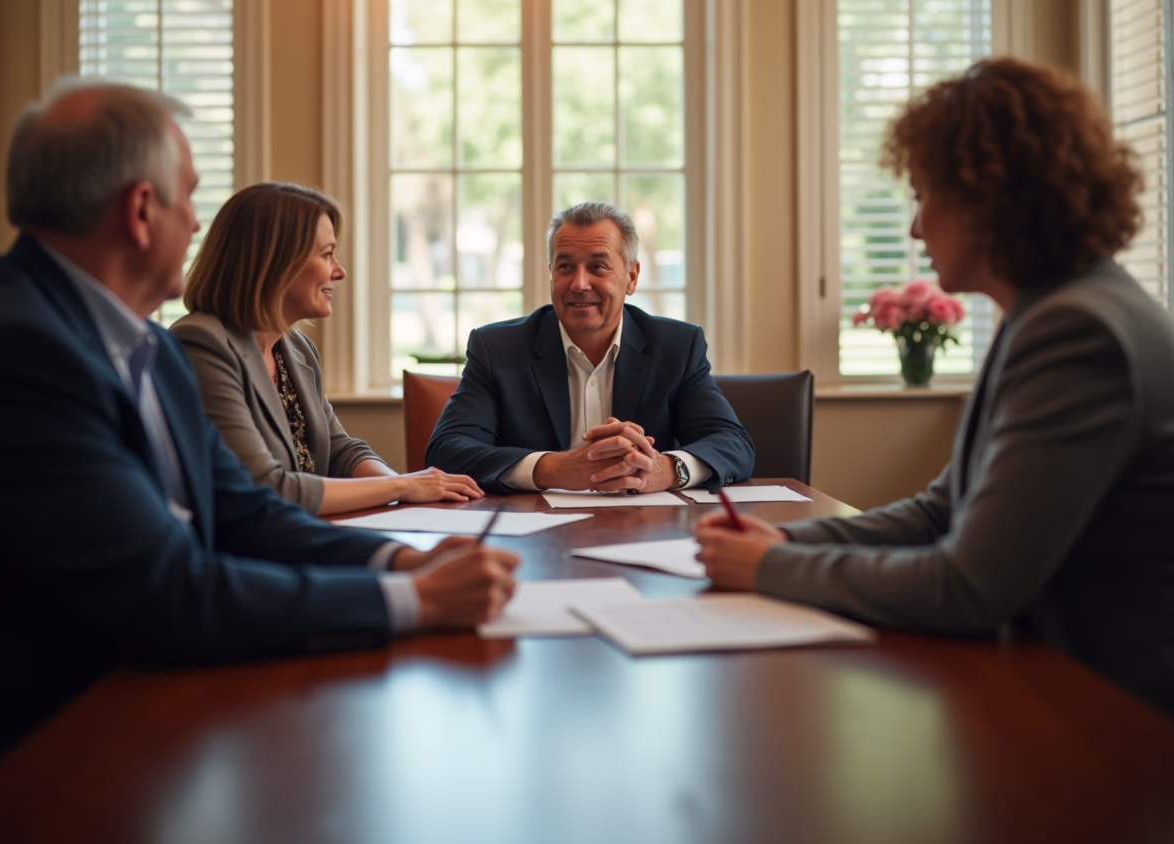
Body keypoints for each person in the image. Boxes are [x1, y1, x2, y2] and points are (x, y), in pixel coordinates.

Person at [0, 80, 518, 776]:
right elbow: (170, 592)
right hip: (46, 752)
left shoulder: (146, 347)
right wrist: (413, 600)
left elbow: (243, 512)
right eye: (188, 198)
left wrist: (400, 560)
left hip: (150, 705)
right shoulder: (17, 349)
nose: (197, 225)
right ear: (142, 210)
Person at [695, 57, 1174, 716]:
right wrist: (782, 541)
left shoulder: (1077, 331)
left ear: (990, 194)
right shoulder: (1048, 309)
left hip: (1109, 716)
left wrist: (768, 569)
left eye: (923, 195)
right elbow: (941, 511)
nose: (915, 228)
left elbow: (971, 586)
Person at [172, 183, 482, 515]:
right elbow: (265, 487)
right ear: (275, 262)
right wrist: (402, 486)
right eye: (326, 254)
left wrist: (409, 494)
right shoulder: (201, 344)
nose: (339, 271)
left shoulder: (296, 349)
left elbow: (339, 451)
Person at [426, 202, 754, 494]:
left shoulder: (677, 347)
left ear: (631, 277)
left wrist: (666, 470)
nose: (579, 284)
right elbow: (447, 450)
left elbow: (733, 445)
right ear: (551, 274)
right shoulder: (497, 348)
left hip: (649, 531)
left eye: (598, 266)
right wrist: (554, 468)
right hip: (531, 538)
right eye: (565, 267)